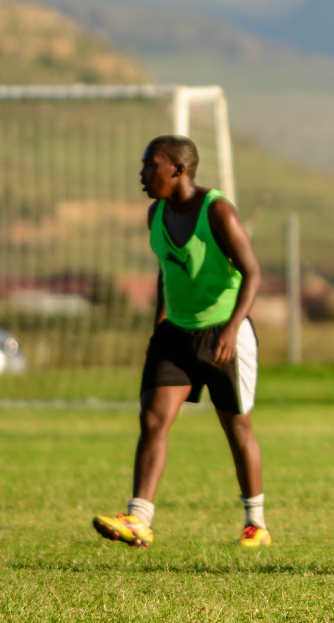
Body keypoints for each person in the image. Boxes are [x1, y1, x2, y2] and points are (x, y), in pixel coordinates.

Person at [93, 135, 270, 548]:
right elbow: (166, 271)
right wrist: (160, 327)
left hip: (224, 332)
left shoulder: (218, 211)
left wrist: (230, 329)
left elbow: (253, 273)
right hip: (175, 334)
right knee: (153, 419)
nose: (142, 172)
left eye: (150, 165)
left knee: (236, 427)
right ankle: (138, 518)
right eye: (142, 164)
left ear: (179, 169)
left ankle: (255, 523)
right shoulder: (155, 213)